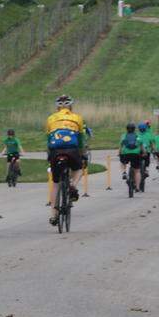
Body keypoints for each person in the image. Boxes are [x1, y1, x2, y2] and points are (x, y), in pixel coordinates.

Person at [45, 95, 87, 225]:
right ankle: (73, 185)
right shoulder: (77, 117)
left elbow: (48, 138)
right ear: (71, 106)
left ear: (58, 107)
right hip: (71, 150)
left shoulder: (51, 118)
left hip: (56, 151)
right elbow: (80, 138)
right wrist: (82, 153)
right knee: (79, 168)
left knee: (56, 183)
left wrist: (49, 155)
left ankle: (53, 215)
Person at [119, 122, 146, 192]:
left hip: (126, 153)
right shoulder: (138, 136)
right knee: (137, 171)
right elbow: (141, 146)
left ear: (126, 129)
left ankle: (124, 172)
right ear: (134, 129)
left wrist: (119, 153)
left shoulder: (123, 136)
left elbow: (121, 146)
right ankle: (137, 187)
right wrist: (144, 153)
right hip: (135, 154)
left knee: (123, 162)